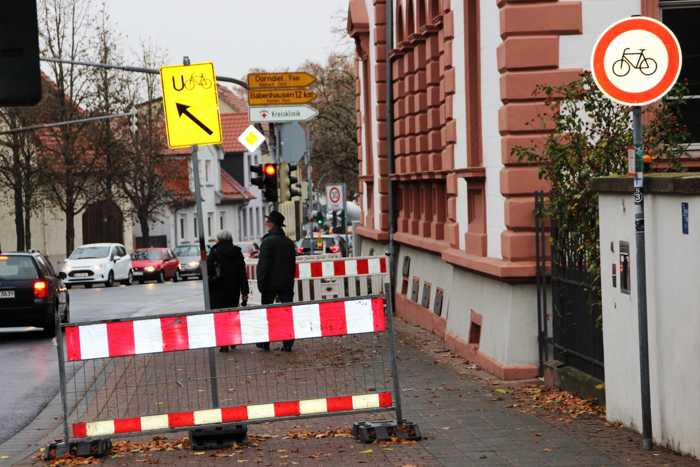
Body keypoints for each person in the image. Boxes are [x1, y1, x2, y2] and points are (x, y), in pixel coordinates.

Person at [256, 211, 296, 352]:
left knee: (266, 314)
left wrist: (261, 284)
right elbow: (292, 267)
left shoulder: (267, 242)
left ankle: (265, 342)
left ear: (272, 224)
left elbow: (263, 266)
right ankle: (288, 342)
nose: (266, 223)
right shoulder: (289, 243)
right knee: (287, 313)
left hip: (269, 284)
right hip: (286, 284)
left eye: (268, 221)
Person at [207, 230, 249, 352]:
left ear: (219, 239)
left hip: (217, 289)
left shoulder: (214, 252)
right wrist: (244, 291)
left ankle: (224, 343)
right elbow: (242, 273)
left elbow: (208, 271)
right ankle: (232, 340)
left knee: (220, 316)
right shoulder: (237, 252)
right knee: (232, 314)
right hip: (233, 289)